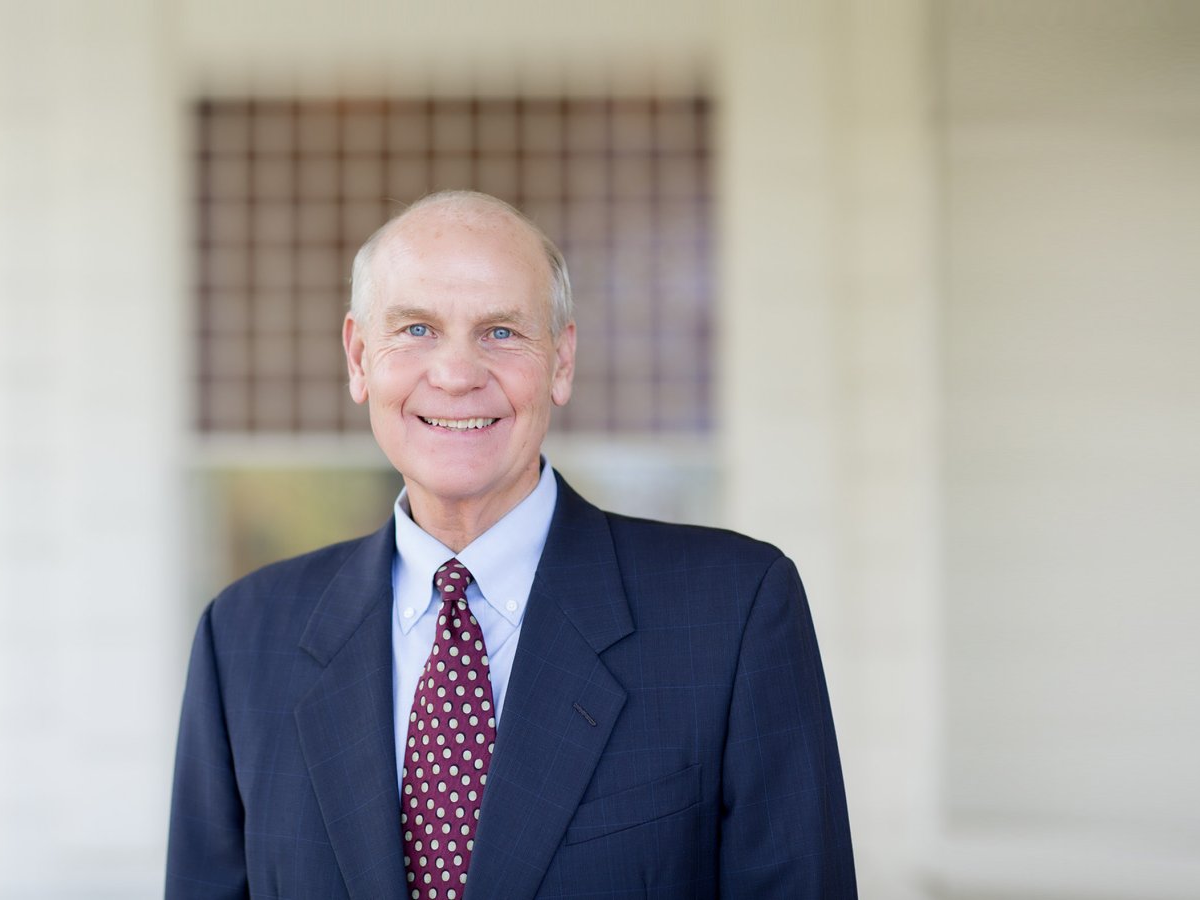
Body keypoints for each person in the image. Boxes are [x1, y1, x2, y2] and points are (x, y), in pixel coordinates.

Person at [166, 191, 855, 899]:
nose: (457, 374)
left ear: (560, 362)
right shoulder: (243, 639)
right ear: (359, 357)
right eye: (416, 329)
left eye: (500, 332)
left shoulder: (733, 611)